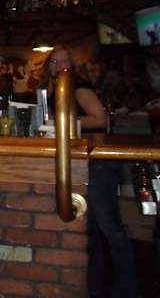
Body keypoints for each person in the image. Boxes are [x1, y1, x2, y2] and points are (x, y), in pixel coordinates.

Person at [43, 46, 139, 298]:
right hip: (81, 161)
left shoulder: (79, 87)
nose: (60, 65)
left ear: (72, 65)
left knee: (110, 229)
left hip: (98, 162)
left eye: (64, 60)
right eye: (54, 61)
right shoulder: (53, 90)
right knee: (92, 231)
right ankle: (95, 287)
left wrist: (64, 120)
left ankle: (128, 289)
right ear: (48, 66)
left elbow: (100, 119)